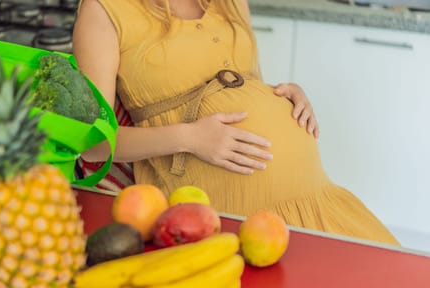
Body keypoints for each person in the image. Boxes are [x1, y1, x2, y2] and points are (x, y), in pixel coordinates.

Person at [72, 0, 399, 245]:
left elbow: (243, 85)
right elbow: (95, 143)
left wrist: (284, 96)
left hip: (318, 197)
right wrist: (190, 138)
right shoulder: (104, 10)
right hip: (228, 214)